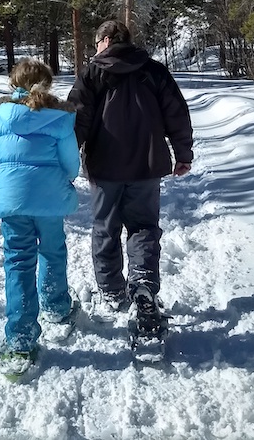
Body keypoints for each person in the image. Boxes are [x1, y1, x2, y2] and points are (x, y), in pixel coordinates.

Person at [67, 19, 193, 340]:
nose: (96, 49)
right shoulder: (153, 71)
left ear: (107, 40)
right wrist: (183, 153)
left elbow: (76, 120)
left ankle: (112, 292)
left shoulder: (92, 74)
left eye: (97, 43)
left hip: (104, 167)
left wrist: (64, 162)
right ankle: (143, 286)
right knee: (143, 227)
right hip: (145, 166)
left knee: (105, 229)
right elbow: (176, 113)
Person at [0, 58, 80, 379]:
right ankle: (57, 308)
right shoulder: (60, 119)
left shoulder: (2, 117)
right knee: (52, 252)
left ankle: (20, 339)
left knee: (18, 262)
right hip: (49, 200)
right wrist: (61, 182)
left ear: (13, 83)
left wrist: (1, 184)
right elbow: (72, 164)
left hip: (14, 202)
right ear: (47, 84)